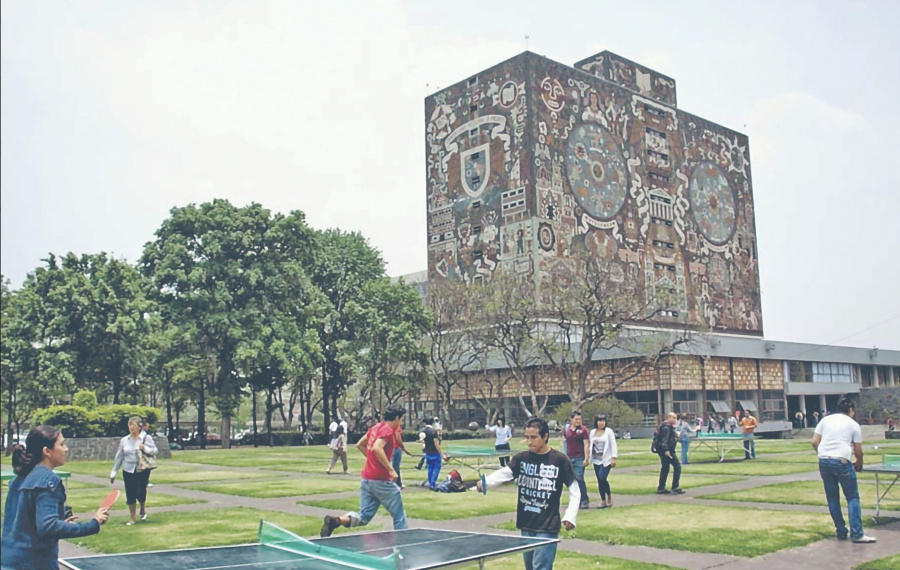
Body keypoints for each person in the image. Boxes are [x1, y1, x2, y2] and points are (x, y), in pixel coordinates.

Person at [478, 417, 579, 570]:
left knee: (540, 567)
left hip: (547, 526)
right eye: (527, 437)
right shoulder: (521, 458)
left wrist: (570, 516)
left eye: (534, 437)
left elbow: (575, 490)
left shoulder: (559, 460)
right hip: (526, 524)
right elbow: (506, 473)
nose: (529, 442)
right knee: (530, 567)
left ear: (545, 437)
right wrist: (486, 482)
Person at [1, 426, 109, 569]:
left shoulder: (19, 478)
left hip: (8, 561)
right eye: (61, 444)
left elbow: (25, 521)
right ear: (47, 451)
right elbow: (48, 527)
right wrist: (93, 523)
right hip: (35, 563)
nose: (66, 449)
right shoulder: (48, 481)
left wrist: (61, 522)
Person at [320, 405, 409, 537]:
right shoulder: (388, 431)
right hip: (381, 480)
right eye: (401, 420)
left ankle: (337, 521)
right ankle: (405, 542)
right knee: (399, 516)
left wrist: (373, 460)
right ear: (396, 418)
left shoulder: (376, 427)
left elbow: (360, 444)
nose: (401, 423)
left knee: (364, 516)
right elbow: (377, 448)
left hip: (367, 479)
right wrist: (391, 470)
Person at [812, 398, 876, 543]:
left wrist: (822, 454)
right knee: (852, 497)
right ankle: (857, 533)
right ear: (851, 410)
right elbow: (858, 450)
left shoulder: (825, 420)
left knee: (832, 498)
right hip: (842, 460)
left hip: (824, 460)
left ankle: (841, 531)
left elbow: (814, 442)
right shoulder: (853, 425)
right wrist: (859, 463)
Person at [110, 415, 158, 525]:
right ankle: (132, 518)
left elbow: (155, 451)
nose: (131, 427)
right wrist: (114, 472)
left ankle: (142, 507)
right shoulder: (124, 440)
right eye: (129, 425)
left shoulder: (146, 438)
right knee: (130, 493)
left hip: (142, 469)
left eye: (133, 425)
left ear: (139, 427)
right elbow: (119, 457)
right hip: (128, 469)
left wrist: (145, 448)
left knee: (140, 492)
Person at [588, 414, 617, 509]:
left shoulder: (608, 431)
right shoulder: (592, 432)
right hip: (596, 459)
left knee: (602, 478)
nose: (601, 423)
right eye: (600, 421)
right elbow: (590, 445)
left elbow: (613, 444)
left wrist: (613, 457)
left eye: (603, 421)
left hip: (606, 459)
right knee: (599, 481)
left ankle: (608, 495)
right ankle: (603, 500)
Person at [563, 411, 591, 509]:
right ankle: (576, 499)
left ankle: (584, 499)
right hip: (570, 457)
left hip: (579, 457)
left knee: (579, 477)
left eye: (580, 419)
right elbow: (564, 442)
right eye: (576, 419)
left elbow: (586, 444)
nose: (578, 421)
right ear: (571, 419)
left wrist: (586, 458)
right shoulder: (566, 429)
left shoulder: (583, 430)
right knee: (571, 479)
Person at [656, 412, 683, 494]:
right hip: (667, 451)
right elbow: (665, 440)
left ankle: (661, 487)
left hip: (664, 450)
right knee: (677, 466)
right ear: (669, 418)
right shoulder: (666, 428)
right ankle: (675, 486)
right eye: (674, 418)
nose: (675, 420)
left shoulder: (667, 427)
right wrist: (666, 450)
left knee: (665, 468)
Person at [421, 418, 450, 489]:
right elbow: (436, 443)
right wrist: (442, 454)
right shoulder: (434, 431)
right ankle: (433, 483)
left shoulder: (423, 432)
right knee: (436, 468)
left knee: (429, 468)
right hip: (435, 452)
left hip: (428, 452)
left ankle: (431, 482)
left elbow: (422, 443)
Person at [391, 421, 414, 489]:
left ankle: (398, 483)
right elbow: (398, 438)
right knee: (396, 467)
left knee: (395, 466)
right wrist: (404, 448)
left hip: (393, 447)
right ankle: (396, 484)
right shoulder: (397, 427)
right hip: (396, 448)